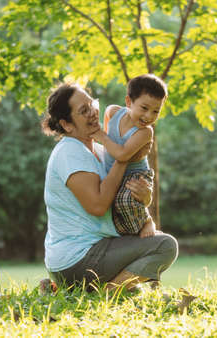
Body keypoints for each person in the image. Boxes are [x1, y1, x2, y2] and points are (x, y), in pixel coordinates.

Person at [41, 82, 178, 291]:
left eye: (92, 105)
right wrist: (126, 156)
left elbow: (119, 197)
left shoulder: (98, 150)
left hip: (93, 251)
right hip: (77, 259)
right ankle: (105, 292)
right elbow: (97, 206)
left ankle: (89, 288)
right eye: (83, 111)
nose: (93, 113)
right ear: (67, 124)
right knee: (165, 246)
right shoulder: (70, 152)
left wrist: (145, 199)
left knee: (138, 282)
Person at [93, 74, 167, 238]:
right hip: (112, 172)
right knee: (110, 206)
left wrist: (102, 138)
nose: (149, 116)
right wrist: (105, 139)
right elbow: (108, 131)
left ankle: (146, 221)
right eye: (144, 108)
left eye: (156, 111)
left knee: (124, 200)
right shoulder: (113, 112)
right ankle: (125, 235)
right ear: (128, 102)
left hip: (136, 175)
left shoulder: (145, 132)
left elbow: (122, 155)